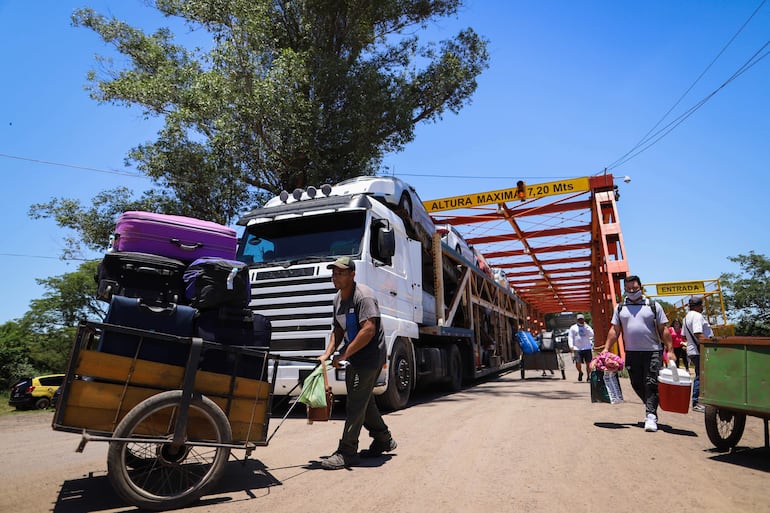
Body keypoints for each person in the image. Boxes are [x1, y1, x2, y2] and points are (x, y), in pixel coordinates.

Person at [318, 256, 397, 470]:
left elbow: (368, 329)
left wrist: (342, 355)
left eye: (341, 272)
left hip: (370, 356)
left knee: (355, 403)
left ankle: (347, 451)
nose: (336, 276)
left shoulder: (364, 296)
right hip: (355, 356)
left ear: (352, 275)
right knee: (363, 400)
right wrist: (327, 354)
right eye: (334, 272)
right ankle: (384, 439)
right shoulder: (338, 299)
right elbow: (339, 329)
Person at [601, 275, 673, 433]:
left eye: (635, 288)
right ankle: (651, 402)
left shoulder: (653, 305)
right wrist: (606, 348)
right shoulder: (620, 308)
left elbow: (663, 329)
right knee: (636, 383)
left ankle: (651, 415)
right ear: (624, 290)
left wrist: (670, 349)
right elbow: (615, 330)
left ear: (641, 288)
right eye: (629, 289)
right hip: (632, 353)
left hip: (653, 351)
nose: (632, 291)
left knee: (650, 382)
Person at [682, 295, 714, 413]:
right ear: (699, 306)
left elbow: (684, 335)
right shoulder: (697, 316)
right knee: (701, 376)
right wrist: (709, 344)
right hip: (700, 350)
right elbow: (698, 333)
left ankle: (698, 401)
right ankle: (696, 402)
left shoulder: (686, 317)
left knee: (700, 374)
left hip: (692, 349)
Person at [568, 314, 594, 382]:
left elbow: (592, 334)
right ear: (577, 320)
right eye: (579, 319)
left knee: (588, 363)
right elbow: (570, 337)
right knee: (577, 363)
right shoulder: (573, 327)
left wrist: (586, 327)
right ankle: (580, 372)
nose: (581, 320)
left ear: (584, 319)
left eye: (582, 319)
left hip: (587, 347)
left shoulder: (587, 327)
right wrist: (571, 345)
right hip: (577, 348)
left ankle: (589, 376)